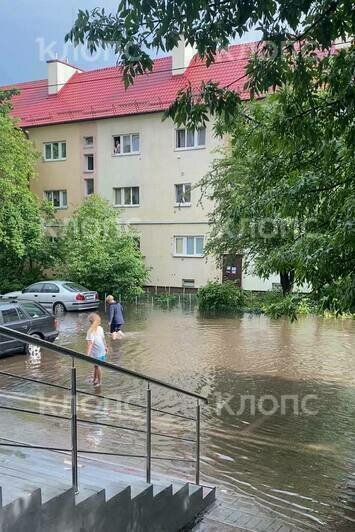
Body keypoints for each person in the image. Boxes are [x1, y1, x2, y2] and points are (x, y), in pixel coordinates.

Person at [86, 313, 108, 386]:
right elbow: (103, 338)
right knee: (96, 366)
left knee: (97, 366)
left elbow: (90, 343)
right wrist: (105, 347)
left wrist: (87, 354)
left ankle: (99, 382)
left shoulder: (90, 331)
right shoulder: (100, 328)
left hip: (96, 352)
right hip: (101, 350)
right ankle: (95, 379)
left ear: (90, 321)